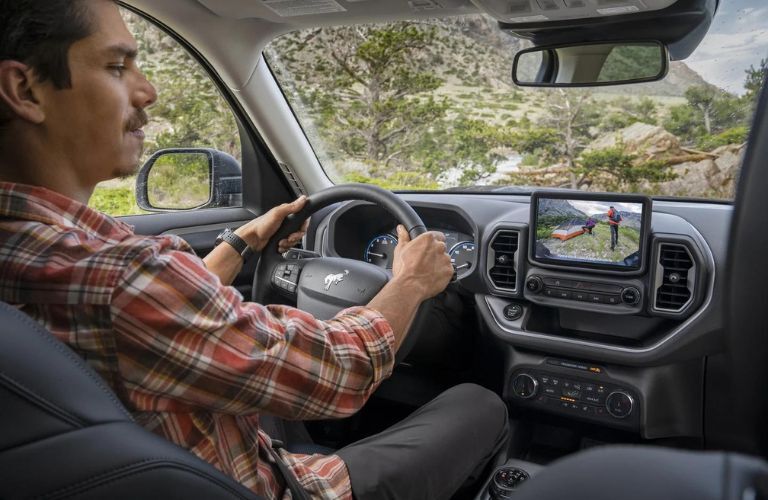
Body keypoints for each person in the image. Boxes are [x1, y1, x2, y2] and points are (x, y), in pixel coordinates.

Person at [0, 1, 508, 499]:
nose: (148, 91)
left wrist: (239, 244)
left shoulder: (49, 256)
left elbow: (151, 320)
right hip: (262, 486)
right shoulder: (122, 278)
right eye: (116, 66)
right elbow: (336, 375)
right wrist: (411, 283)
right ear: (25, 90)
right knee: (480, 404)